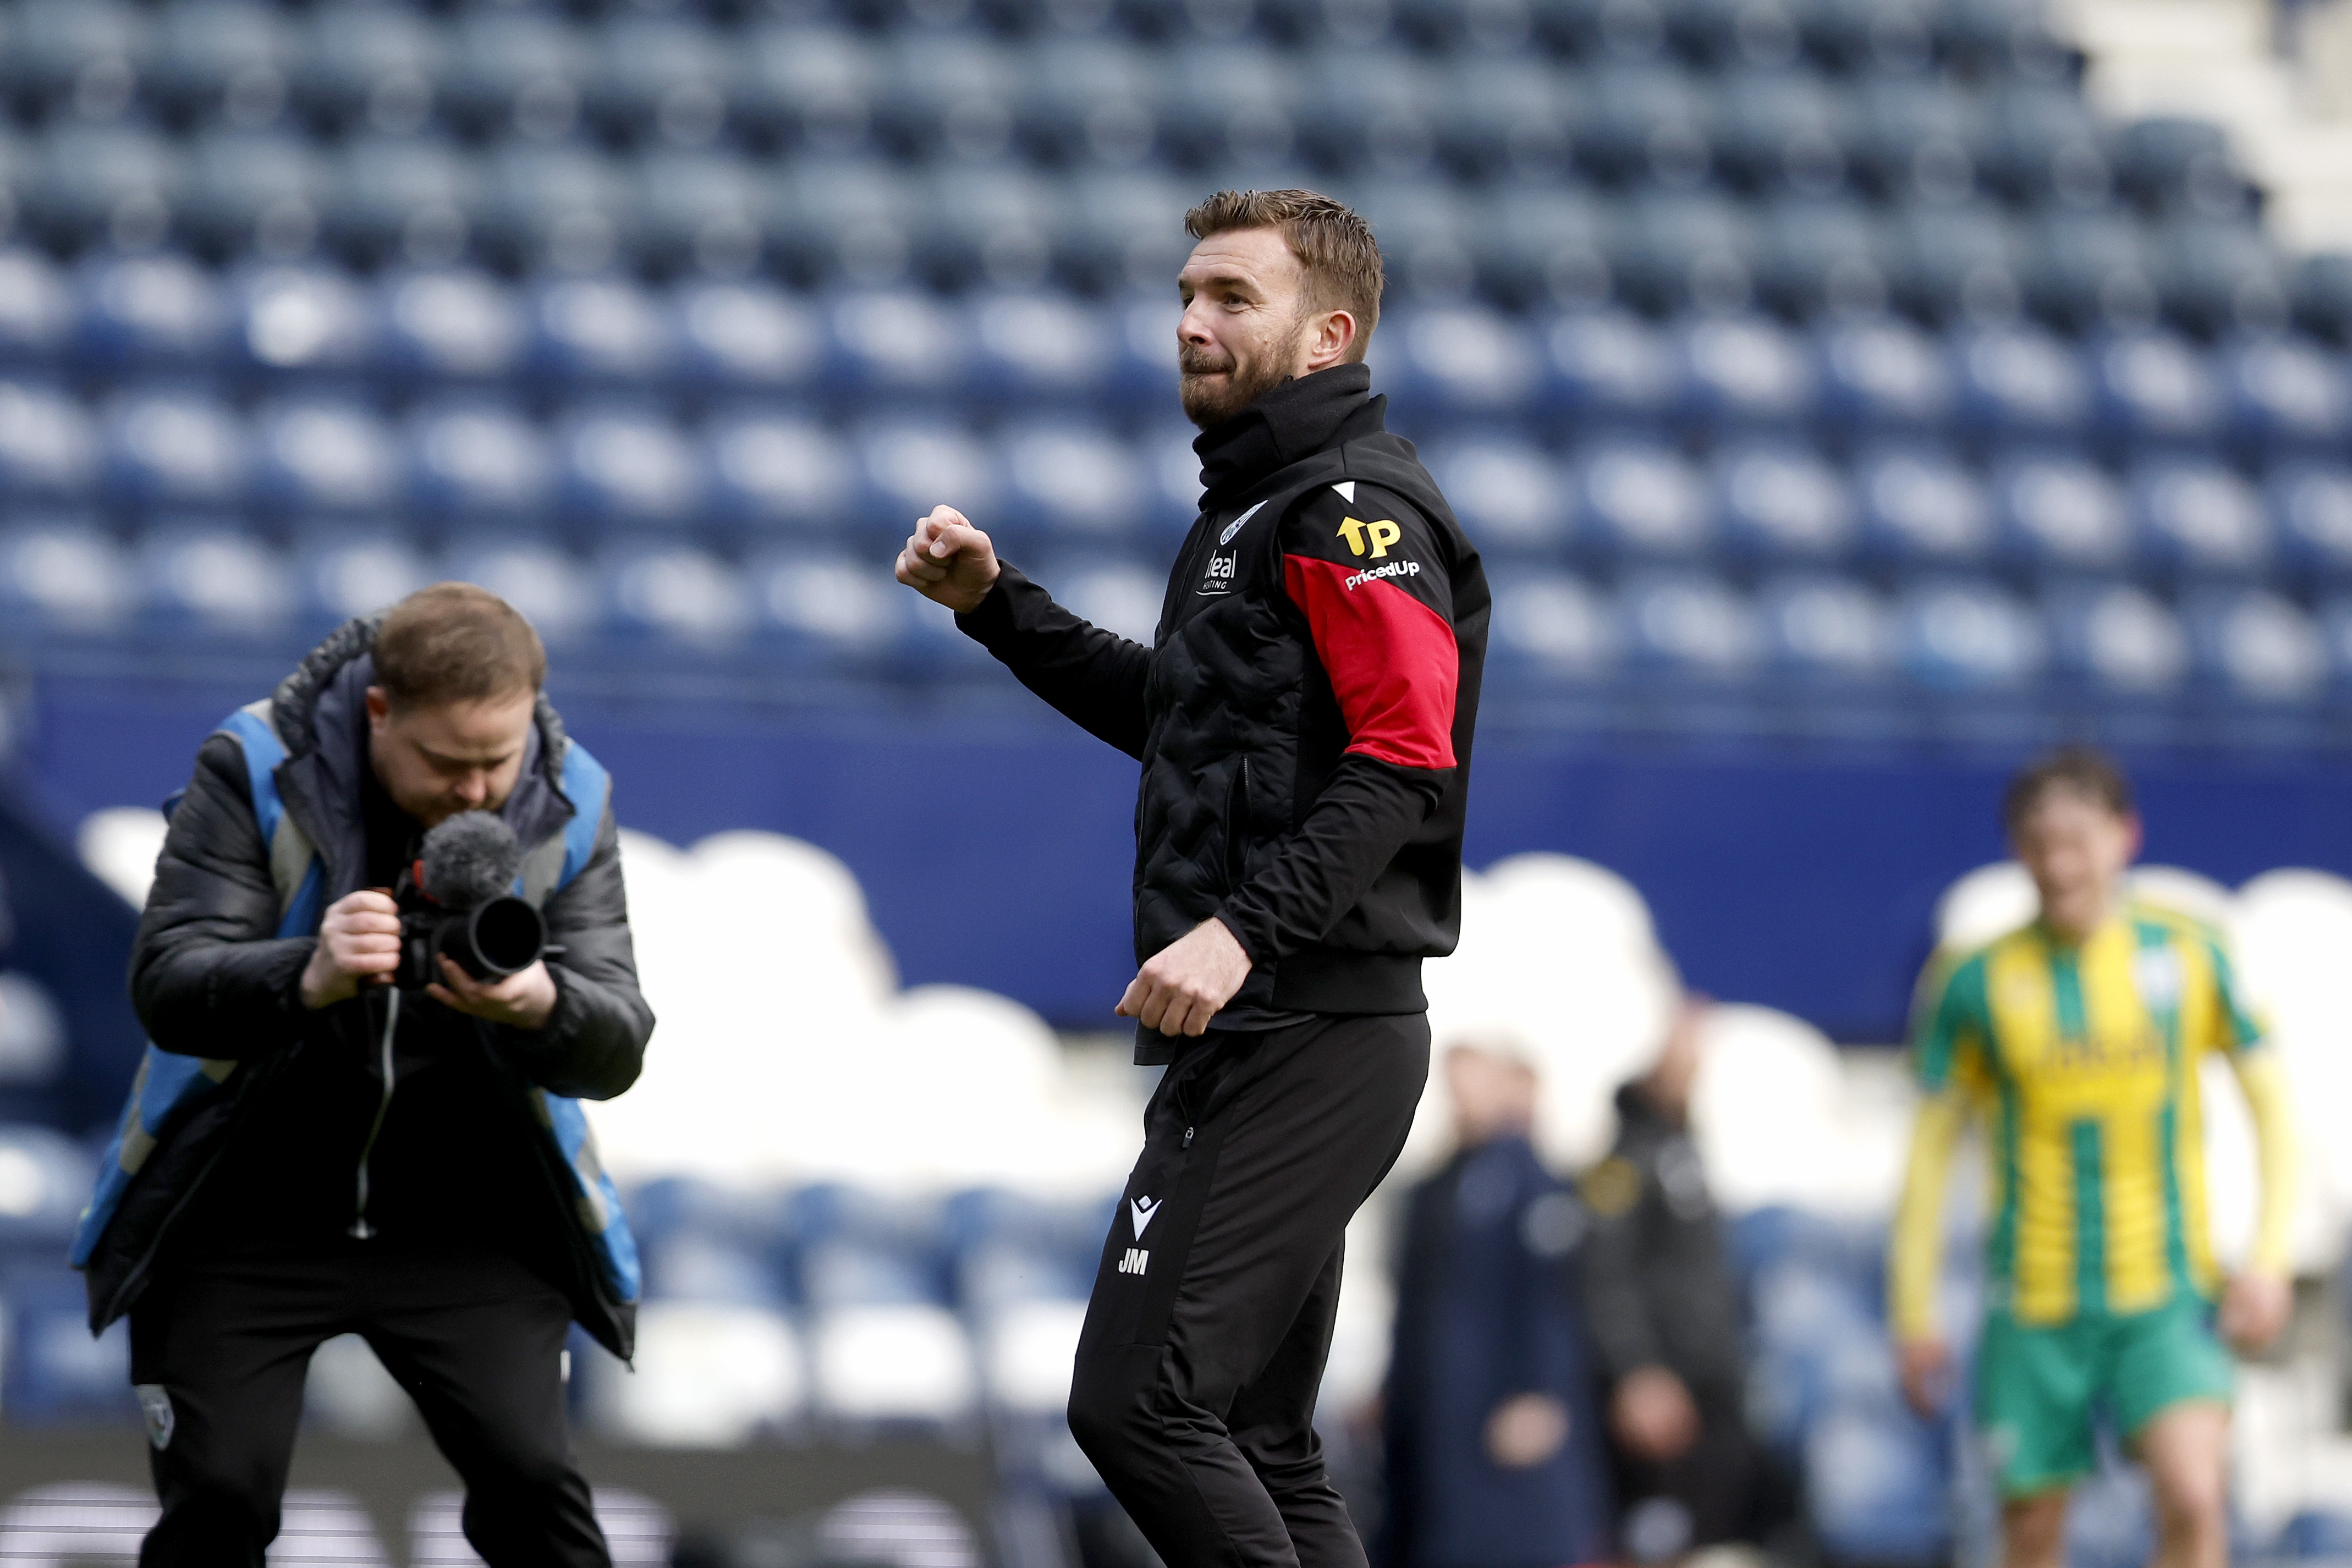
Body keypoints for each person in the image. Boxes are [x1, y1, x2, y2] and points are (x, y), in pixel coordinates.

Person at [895, 188, 1488, 1568]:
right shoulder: (1253, 508)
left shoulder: (1352, 513)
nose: (1190, 323)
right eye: (1185, 295)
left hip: (1309, 1023)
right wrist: (998, 609)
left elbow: (1406, 760)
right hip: (1272, 1024)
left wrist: (1238, 928)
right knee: (1262, 1440)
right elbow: (1186, 717)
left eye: (1231, 299)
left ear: (1327, 331)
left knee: (1136, 1407)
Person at [73, 585, 654, 1566]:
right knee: (220, 1496)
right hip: (242, 1203)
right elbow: (168, 983)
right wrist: (306, 971)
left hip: (470, 1209)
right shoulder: (257, 763)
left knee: (537, 1489)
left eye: (495, 762)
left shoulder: (571, 791)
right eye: (446, 762)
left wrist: (541, 1008)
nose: (477, 792)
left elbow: (618, 1036)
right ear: (379, 710)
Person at [1889, 745, 2296, 1568]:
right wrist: (1913, 1309)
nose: (2061, 863)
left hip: (2165, 1290)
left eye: (2079, 839)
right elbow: (1929, 1157)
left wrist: (2271, 1256)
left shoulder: (2188, 952)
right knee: (2033, 1534)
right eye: (2040, 842)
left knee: (2194, 1494)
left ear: (2125, 836)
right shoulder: (1974, 978)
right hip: (2035, 1304)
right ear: (2017, 850)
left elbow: (2272, 1110)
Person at [1382, 1035, 1612, 1568]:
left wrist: (1539, 1391)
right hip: (1437, 1411)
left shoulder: (1535, 1185)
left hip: (1503, 1410)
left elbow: (1553, 1301)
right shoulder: (1437, 1188)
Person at [1578, 1000, 1769, 1560]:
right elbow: (1602, 1275)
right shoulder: (1621, 1162)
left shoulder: (1683, 1149)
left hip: (1709, 1391)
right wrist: (1636, 1371)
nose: (1692, 1062)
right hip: (1665, 1395)